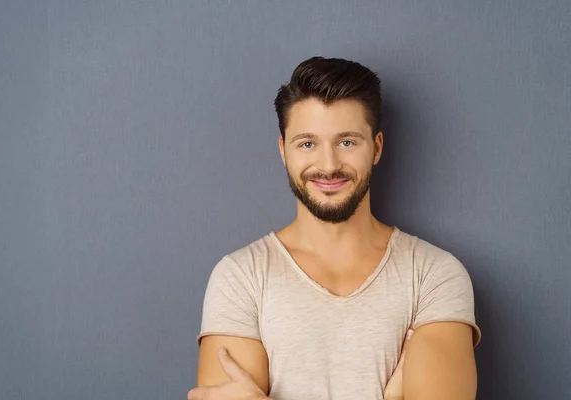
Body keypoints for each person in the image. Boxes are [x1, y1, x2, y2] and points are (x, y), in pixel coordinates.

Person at [187, 56, 481, 400]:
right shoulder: (240, 279)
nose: (328, 166)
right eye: (307, 143)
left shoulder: (434, 276)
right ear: (284, 151)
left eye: (347, 142)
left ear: (376, 148)